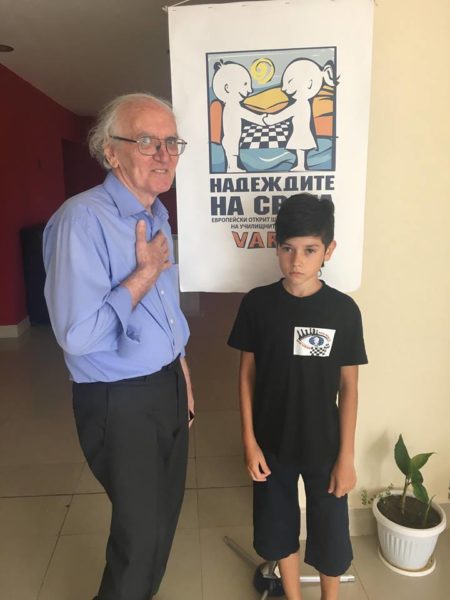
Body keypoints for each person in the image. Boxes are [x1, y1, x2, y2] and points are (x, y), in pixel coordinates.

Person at [43, 93, 194, 600]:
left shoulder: (157, 215)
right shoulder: (81, 220)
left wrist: (182, 375)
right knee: (138, 536)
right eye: (147, 141)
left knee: (162, 522)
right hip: (120, 400)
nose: (164, 154)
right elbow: (76, 334)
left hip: (167, 386)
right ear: (111, 152)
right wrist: (143, 275)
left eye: (171, 142)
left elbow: (166, 313)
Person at [228, 193, 367, 600]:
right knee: (278, 529)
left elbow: (350, 386)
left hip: (325, 445)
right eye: (288, 248)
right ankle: (292, 595)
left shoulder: (343, 311)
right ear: (276, 245)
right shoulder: (257, 305)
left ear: (328, 250)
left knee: (331, 534)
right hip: (271, 444)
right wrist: (249, 441)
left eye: (309, 250)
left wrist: (346, 455)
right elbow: (246, 375)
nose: (296, 261)